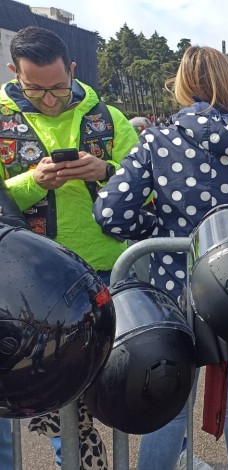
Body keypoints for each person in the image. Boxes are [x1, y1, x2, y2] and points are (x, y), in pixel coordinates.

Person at [93, 45, 228, 470]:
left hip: (175, 292)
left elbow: (110, 212)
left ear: (181, 85)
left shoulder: (158, 140)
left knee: (169, 408)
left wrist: (158, 229)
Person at [1, 26, 138, 469]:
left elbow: (145, 185)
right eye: (35, 88)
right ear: (13, 72)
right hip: (25, 282)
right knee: (47, 392)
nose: (49, 99)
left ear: (73, 70)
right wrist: (30, 183)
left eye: (58, 86)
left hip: (104, 270)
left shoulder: (109, 116)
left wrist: (105, 169)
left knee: (121, 380)